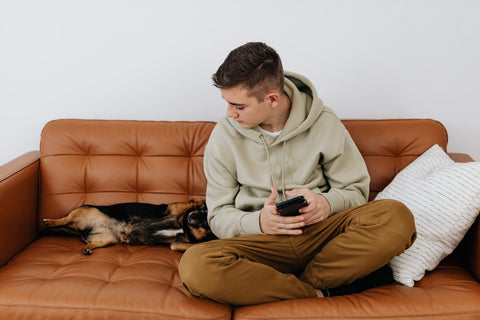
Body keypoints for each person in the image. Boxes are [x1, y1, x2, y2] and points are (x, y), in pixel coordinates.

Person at [178, 42, 416, 306]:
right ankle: (315, 292)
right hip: (260, 243)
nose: (229, 114)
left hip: (323, 236)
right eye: (227, 103)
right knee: (195, 266)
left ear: (272, 99)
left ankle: (286, 283)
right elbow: (219, 215)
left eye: (239, 106)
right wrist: (259, 222)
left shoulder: (324, 122)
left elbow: (356, 191)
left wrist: (325, 203)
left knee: (396, 216)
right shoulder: (224, 136)